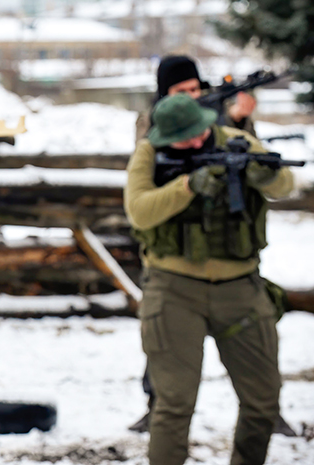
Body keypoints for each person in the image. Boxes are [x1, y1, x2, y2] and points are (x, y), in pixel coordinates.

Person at [124, 94, 294, 465]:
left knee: (263, 400)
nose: (195, 142)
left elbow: (286, 185)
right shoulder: (149, 154)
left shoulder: (239, 141)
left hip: (240, 288)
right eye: (183, 139)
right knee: (173, 405)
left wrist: (266, 175)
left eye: (198, 133)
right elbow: (139, 211)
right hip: (173, 290)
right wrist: (187, 187)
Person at [129, 54, 259, 433]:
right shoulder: (153, 121)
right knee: (165, 343)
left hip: (226, 239)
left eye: (194, 90)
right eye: (180, 92)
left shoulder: (217, 111)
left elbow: (247, 155)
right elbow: (153, 162)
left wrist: (238, 119)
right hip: (173, 245)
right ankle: (158, 405)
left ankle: (264, 408)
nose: (191, 97)